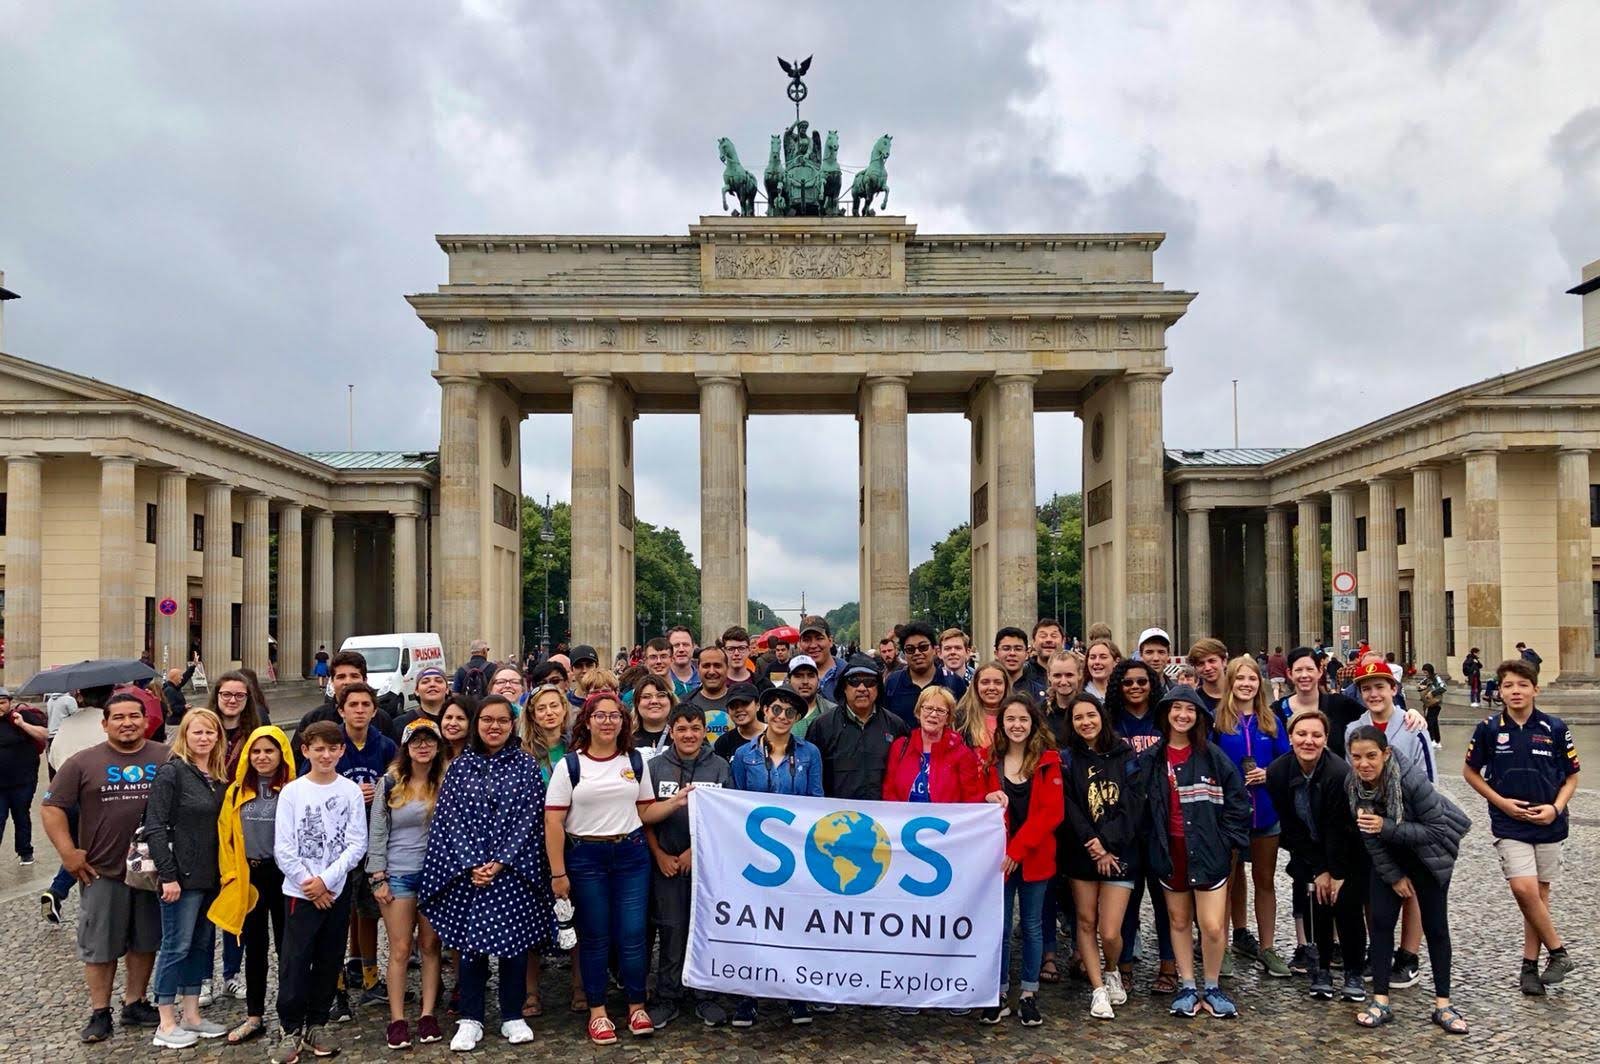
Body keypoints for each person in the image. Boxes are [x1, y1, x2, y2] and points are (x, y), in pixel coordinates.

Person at [420, 696, 553, 1051]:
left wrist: (501, 861)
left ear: (512, 725)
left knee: (514, 946)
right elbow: (449, 820)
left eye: (502, 721)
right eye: (487, 720)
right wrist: (471, 863)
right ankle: (471, 1017)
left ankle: (512, 1014)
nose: (494, 727)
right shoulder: (461, 766)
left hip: (512, 870)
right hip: (470, 872)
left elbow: (530, 819)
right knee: (471, 947)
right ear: (477, 724)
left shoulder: (525, 766)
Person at [546, 692, 679, 1045]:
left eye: (615, 716)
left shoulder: (634, 761)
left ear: (623, 721)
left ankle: (637, 1005)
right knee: (596, 936)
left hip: (631, 855)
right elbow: (554, 823)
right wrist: (558, 873)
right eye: (600, 716)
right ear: (587, 721)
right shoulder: (570, 766)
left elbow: (645, 811)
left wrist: (677, 801)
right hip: (586, 857)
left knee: (633, 934)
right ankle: (598, 1011)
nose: (608, 722)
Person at [42, 691, 170, 1043]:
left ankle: (135, 1002)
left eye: (134, 716)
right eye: (118, 717)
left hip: (151, 871)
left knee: (145, 941)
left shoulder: (167, 757)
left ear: (146, 721)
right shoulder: (83, 762)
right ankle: (100, 1012)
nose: (127, 723)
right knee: (99, 945)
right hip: (102, 870)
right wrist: (69, 853)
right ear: (105, 724)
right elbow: (52, 808)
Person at [1462, 658, 1580, 996]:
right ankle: (1559, 952)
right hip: (1508, 821)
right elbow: (1470, 772)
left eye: (1522, 685)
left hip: (1549, 822)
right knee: (1524, 890)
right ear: (1499, 691)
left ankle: (1530, 965)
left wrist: (1556, 808)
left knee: (1539, 896)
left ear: (1535, 689)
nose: (1515, 691)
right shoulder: (1488, 729)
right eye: (1508, 685)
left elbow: (1572, 776)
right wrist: (1500, 802)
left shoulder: (1555, 728)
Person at [1347, 725, 1472, 1034]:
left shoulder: (1410, 779)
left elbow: (1437, 829)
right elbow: (1369, 835)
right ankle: (1380, 1001)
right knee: (1380, 923)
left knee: (1436, 927)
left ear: (1386, 754)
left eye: (1371, 756)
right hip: (1390, 854)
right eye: (1357, 757)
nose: (1364, 764)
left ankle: (1443, 1004)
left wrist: (1385, 827)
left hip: (1429, 854)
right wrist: (1394, 876)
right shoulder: (1353, 784)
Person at [1141, 684, 1251, 1020]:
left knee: (1213, 925)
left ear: (1199, 716)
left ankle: (1213, 985)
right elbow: (1139, 808)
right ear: (1165, 714)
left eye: (1189, 710)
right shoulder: (1151, 759)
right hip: (1170, 849)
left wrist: (1228, 841)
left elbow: (1237, 801)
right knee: (1178, 920)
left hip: (1208, 849)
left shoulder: (1213, 757)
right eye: (1176, 709)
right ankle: (1188, 985)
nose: (1182, 715)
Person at [271, 720, 368, 1064]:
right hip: (300, 891)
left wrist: (327, 880)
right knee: (296, 960)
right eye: (319, 749)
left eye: (332, 748)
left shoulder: (350, 791)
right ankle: (290, 1026)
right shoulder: (293, 792)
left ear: (341, 751)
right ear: (305, 751)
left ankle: (317, 1021)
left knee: (329, 959)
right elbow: (284, 847)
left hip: (336, 888)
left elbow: (356, 844)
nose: (326, 755)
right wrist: (310, 883)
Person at [727, 687, 824, 1026]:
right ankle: (747, 995)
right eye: (777, 710)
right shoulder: (743, 755)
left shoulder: (810, 753)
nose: (782, 717)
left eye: (790, 713)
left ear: (797, 719)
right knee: (754, 923)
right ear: (764, 712)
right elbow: (734, 803)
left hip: (796, 853)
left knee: (795, 923)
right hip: (755, 852)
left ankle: (796, 993)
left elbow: (816, 801)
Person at [1264, 708, 1368, 1004]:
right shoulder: (1277, 772)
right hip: (1306, 847)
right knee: (1315, 903)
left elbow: (1340, 827)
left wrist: (1334, 873)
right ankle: (1320, 969)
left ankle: (1353, 972)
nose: (1308, 741)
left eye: (1316, 735)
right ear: (1290, 737)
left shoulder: (1340, 773)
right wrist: (1318, 868)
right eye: (1301, 734)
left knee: (1346, 905)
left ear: (1325, 739)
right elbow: (1290, 825)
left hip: (1348, 849)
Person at [646, 702, 735, 1029]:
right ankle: (667, 997)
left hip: (706, 866)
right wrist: (659, 855)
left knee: (705, 930)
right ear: (671, 730)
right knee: (672, 929)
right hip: (666, 864)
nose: (688, 734)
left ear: (704, 731)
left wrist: (693, 854)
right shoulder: (655, 767)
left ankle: (705, 994)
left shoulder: (720, 767)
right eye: (681, 728)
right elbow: (645, 819)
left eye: (695, 728)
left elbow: (728, 819)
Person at [145, 707, 228, 1048]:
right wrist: (168, 875)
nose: (204, 738)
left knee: (200, 945)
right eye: (198, 732)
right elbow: (155, 825)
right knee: (175, 946)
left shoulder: (218, 775)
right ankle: (165, 1022)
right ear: (185, 736)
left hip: (210, 876)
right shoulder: (172, 773)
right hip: (180, 876)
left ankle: (192, 1015)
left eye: (210, 732)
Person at [209, 725, 296, 1046]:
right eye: (256, 751)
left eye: (269, 751)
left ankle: (291, 1016)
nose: (262, 757)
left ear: (281, 754)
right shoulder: (236, 791)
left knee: (289, 948)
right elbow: (225, 838)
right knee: (254, 948)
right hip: (251, 877)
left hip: (286, 877)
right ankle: (254, 1015)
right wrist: (230, 875)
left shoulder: (294, 789)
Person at [981, 695, 1063, 1028]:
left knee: (1032, 927)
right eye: (1010, 719)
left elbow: (1051, 813)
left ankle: (1029, 993)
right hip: (997, 860)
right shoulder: (990, 761)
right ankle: (998, 992)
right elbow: (977, 800)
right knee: (998, 930)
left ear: (1033, 724)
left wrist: (1018, 850)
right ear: (1001, 724)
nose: (1016, 725)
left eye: (1023, 720)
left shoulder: (1048, 761)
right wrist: (984, 796)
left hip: (1032, 857)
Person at [1060, 691, 1140, 1019]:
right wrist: (1093, 843)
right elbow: (1069, 805)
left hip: (1120, 851)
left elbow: (1133, 803)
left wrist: (1107, 844)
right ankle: (1097, 989)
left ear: (1101, 717)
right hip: (1082, 852)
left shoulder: (1125, 752)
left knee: (1110, 930)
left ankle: (1112, 969)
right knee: (1085, 920)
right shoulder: (1066, 758)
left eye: (1090, 715)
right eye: (1078, 717)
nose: (1085, 722)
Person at [1212, 655, 1292, 979]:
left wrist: (1268, 773)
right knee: (1227, 882)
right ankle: (1225, 946)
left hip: (1266, 812)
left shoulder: (1270, 721)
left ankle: (1268, 947)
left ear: (1259, 684)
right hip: (1229, 815)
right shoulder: (1218, 721)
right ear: (1230, 682)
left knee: (1265, 880)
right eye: (1240, 678)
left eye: (1252, 679)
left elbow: (1287, 760)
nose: (1247, 684)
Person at [369, 720, 447, 1049]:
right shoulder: (389, 783)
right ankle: (397, 1018)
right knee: (400, 948)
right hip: (397, 873)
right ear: (406, 747)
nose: (423, 746)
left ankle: (428, 1013)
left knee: (430, 947)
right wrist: (378, 877)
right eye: (417, 741)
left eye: (429, 740)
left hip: (434, 875)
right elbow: (377, 831)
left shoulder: (445, 782)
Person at [324, 682, 398, 1016]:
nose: (359, 710)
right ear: (341, 710)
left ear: (373, 709)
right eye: (352, 704)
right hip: (336, 843)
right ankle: (335, 982)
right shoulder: (331, 744)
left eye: (365, 704)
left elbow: (400, 784)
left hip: (374, 839)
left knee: (368, 911)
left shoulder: (385, 746)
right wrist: (351, 793)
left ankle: (370, 977)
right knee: (338, 914)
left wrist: (381, 792)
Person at [808, 655, 908, 800]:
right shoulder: (822, 726)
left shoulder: (896, 725)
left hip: (883, 817)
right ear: (844, 687)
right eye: (854, 682)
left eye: (869, 682)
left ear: (878, 687)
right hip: (837, 817)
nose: (862, 688)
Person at [882, 686, 985, 803]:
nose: (933, 714)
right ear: (918, 712)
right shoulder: (900, 746)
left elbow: (971, 798)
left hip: (945, 820)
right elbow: (889, 791)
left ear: (948, 719)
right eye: (928, 708)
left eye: (941, 711)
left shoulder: (962, 754)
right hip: (905, 820)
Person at [1346, 660, 1435, 781]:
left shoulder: (1414, 728)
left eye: (1379, 687)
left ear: (1393, 689)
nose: (1373, 694)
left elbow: (1429, 781)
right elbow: (1352, 777)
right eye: (1366, 689)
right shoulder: (1352, 731)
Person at [883, 620, 969, 726]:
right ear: (904, 653)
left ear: (934, 649)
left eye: (923, 647)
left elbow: (962, 724)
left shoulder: (954, 682)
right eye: (910, 649)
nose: (917, 653)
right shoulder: (892, 682)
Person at [0, 686, 47, 864]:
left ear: (10, 703)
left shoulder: (23, 716)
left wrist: (22, 724)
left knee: (21, 815)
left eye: (3, 703)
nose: (0, 707)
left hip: (23, 781)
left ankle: (25, 851)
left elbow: (44, 734)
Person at [953, 660, 1008, 766]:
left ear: (1005, 686)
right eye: (985, 682)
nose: (991, 687)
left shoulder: (1016, 718)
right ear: (975, 685)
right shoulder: (960, 719)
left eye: (998, 682)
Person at [682, 646, 734, 740]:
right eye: (706, 666)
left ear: (727, 668)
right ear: (698, 669)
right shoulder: (685, 703)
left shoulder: (740, 702)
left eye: (717, 666)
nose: (711, 671)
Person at [782, 654, 832, 739]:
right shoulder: (777, 713)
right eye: (798, 676)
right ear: (788, 680)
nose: (805, 681)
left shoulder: (832, 712)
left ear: (818, 680)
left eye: (810, 676)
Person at [712, 683, 764, 759]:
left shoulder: (774, 735)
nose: (739, 709)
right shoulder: (724, 742)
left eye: (745, 703)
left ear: (758, 705)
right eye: (733, 706)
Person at [391, 666, 450, 734]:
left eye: (438, 681)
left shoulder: (456, 721)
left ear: (447, 689)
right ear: (416, 691)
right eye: (425, 682)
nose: (432, 684)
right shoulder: (401, 724)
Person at [797, 615, 845, 695]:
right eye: (806, 640)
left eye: (819, 638)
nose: (813, 645)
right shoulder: (791, 679)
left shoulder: (848, 676)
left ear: (830, 641)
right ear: (800, 644)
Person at [1019, 618, 1065, 697]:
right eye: (1043, 636)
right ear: (1033, 642)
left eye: (1054, 636)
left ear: (1063, 642)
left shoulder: (1074, 675)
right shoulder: (1022, 674)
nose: (1049, 640)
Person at [1187, 639, 1228, 715]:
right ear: (1195, 668)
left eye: (1212, 661)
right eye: (1201, 663)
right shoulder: (1193, 701)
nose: (1207, 668)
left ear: (1224, 661)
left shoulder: (1239, 695)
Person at [666, 625, 700, 699]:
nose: (681, 649)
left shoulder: (704, 681)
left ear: (693, 647)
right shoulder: (661, 682)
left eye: (685, 644)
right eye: (676, 645)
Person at [1416, 663, 1445, 747]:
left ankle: (1431, 739)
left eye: (1426, 672)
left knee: (1430, 720)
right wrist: (1420, 687)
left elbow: (1443, 687)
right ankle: (1437, 741)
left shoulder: (1436, 678)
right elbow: (1419, 685)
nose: (1425, 674)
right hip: (1428, 704)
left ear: (1430, 671)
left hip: (1436, 703)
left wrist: (1432, 693)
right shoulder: (1426, 679)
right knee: (1434, 721)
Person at [161, 660, 197, 727]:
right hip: (174, 723)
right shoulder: (170, 690)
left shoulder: (174, 687)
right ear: (175, 677)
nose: (182, 677)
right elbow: (171, 708)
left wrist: (193, 666)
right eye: (180, 676)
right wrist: (184, 707)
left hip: (178, 721)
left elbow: (185, 677)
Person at [438, 696, 472, 761]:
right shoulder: (434, 753)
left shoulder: (478, 759)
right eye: (449, 717)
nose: (452, 723)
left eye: (460, 718)